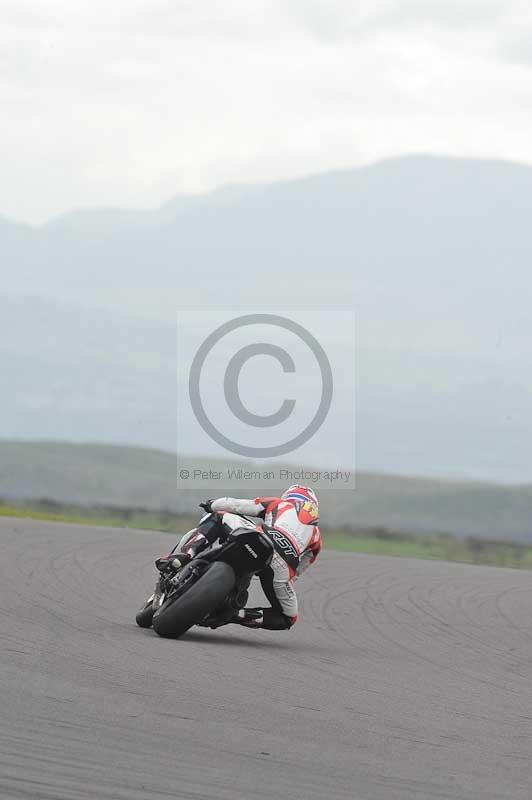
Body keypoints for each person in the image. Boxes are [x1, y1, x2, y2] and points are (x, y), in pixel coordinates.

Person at [156, 485, 321, 630]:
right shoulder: (316, 538)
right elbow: (298, 571)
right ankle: (238, 615)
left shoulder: (280, 503)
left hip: (258, 538)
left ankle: (184, 556)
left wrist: (211, 504)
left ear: (290, 496)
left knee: (218, 515)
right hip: (283, 565)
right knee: (288, 618)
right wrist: (281, 579)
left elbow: (237, 505)